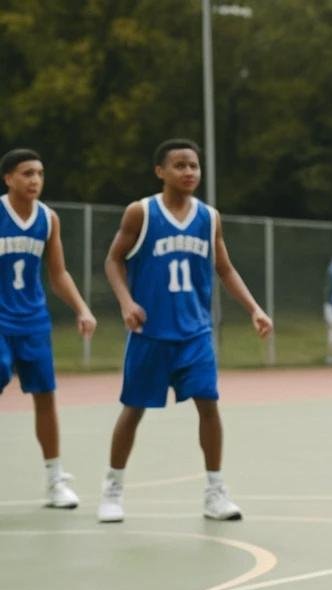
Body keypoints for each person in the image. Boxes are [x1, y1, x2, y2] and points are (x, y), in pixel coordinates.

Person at [96, 139, 273, 524]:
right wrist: (127, 303)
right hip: (151, 333)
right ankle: (113, 488)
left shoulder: (209, 217)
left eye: (194, 165)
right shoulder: (141, 212)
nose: (189, 172)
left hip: (195, 334)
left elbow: (224, 268)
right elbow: (113, 261)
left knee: (208, 405)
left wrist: (254, 309)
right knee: (134, 410)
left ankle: (215, 491)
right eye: (179, 165)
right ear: (160, 171)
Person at [0, 148, 97, 508]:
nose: (35, 180)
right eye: (27, 173)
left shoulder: (47, 219)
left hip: (33, 322)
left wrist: (81, 308)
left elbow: (58, 274)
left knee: (45, 397)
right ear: (8, 178)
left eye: (39, 173)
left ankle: (55, 479)